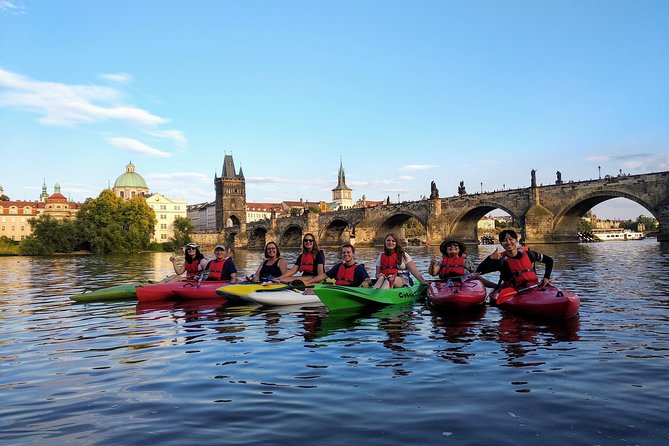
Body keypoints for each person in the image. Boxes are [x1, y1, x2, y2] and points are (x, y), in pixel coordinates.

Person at [476, 229, 553, 289]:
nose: (508, 242)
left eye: (511, 239)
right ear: (501, 243)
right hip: (514, 291)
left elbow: (549, 260)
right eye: (504, 240)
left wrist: (546, 277)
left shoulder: (530, 254)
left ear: (516, 240)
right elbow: (479, 271)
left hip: (534, 287)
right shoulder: (500, 260)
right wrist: (490, 258)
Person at [303, 243, 371, 287]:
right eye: (344, 253)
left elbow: (368, 280)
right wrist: (308, 282)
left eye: (348, 252)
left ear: (353, 254)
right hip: (338, 290)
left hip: (351, 292)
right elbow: (324, 276)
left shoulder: (359, 268)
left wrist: (366, 282)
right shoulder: (338, 267)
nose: (346, 254)